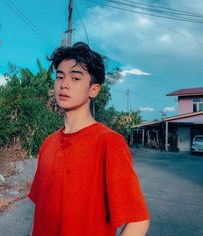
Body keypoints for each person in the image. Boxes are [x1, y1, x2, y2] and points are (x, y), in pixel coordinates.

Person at [28, 42, 150, 236]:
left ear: (94, 90)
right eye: (60, 77)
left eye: (75, 78)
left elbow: (138, 221)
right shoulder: (48, 143)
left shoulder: (109, 143)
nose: (64, 84)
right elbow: (42, 212)